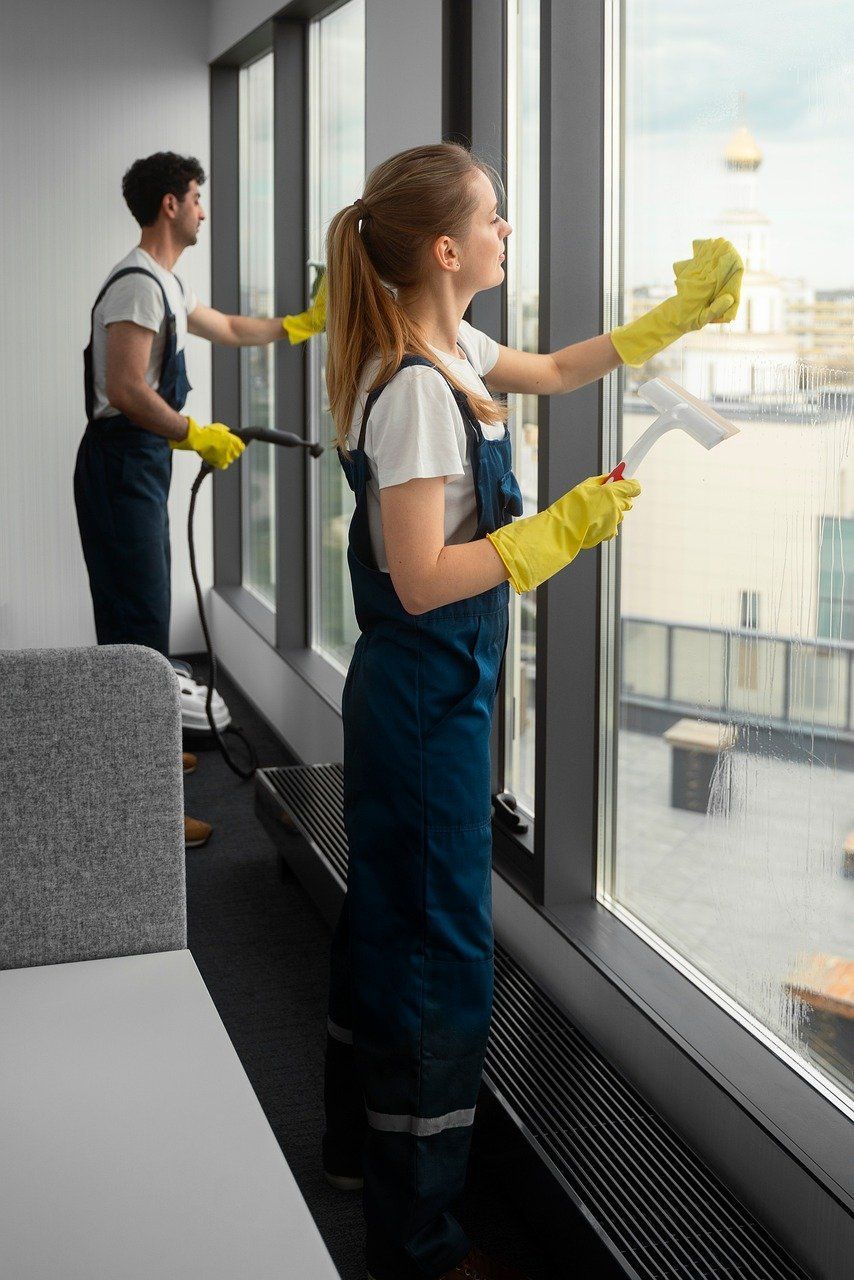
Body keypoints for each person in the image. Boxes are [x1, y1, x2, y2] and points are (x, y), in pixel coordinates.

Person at [320, 142, 742, 1280]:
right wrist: (553, 532)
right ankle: (415, 1240)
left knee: (389, 917)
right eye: (496, 219)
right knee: (440, 949)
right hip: (422, 696)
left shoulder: (447, 344)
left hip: (430, 693)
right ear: (447, 249)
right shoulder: (413, 387)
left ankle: (353, 1150)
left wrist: (670, 319)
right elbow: (416, 578)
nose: (508, 232)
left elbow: (554, 369)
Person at [74, 151, 323, 848]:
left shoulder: (167, 284)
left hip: (141, 465)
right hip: (122, 466)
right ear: (169, 205)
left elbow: (235, 329)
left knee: (144, 620)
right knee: (137, 630)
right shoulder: (137, 288)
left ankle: (144, 755)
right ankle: (140, 809)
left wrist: (303, 324)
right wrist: (195, 432)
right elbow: (124, 389)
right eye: (197, 197)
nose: (204, 210)